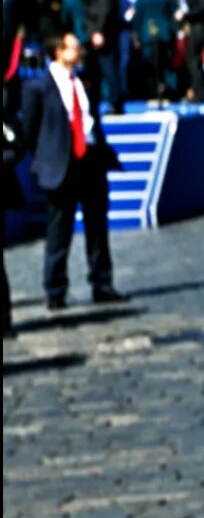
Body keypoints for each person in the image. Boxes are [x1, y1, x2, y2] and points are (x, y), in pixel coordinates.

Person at [14, 31, 126, 310]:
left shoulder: (84, 81)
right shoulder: (38, 87)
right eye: (74, 48)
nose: (79, 52)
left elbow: (91, 118)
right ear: (58, 51)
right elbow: (29, 129)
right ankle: (55, 289)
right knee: (58, 230)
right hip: (60, 164)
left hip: (89, 159)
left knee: (97, 226)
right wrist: (41, 159)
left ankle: (102, 282)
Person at [69, 0, 122, 106]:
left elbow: (105, 1)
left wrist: (99, 29)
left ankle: (115, 101)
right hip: (90, 27)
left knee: (108, 65)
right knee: (93, 69)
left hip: (102, 28)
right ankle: (96, 101)